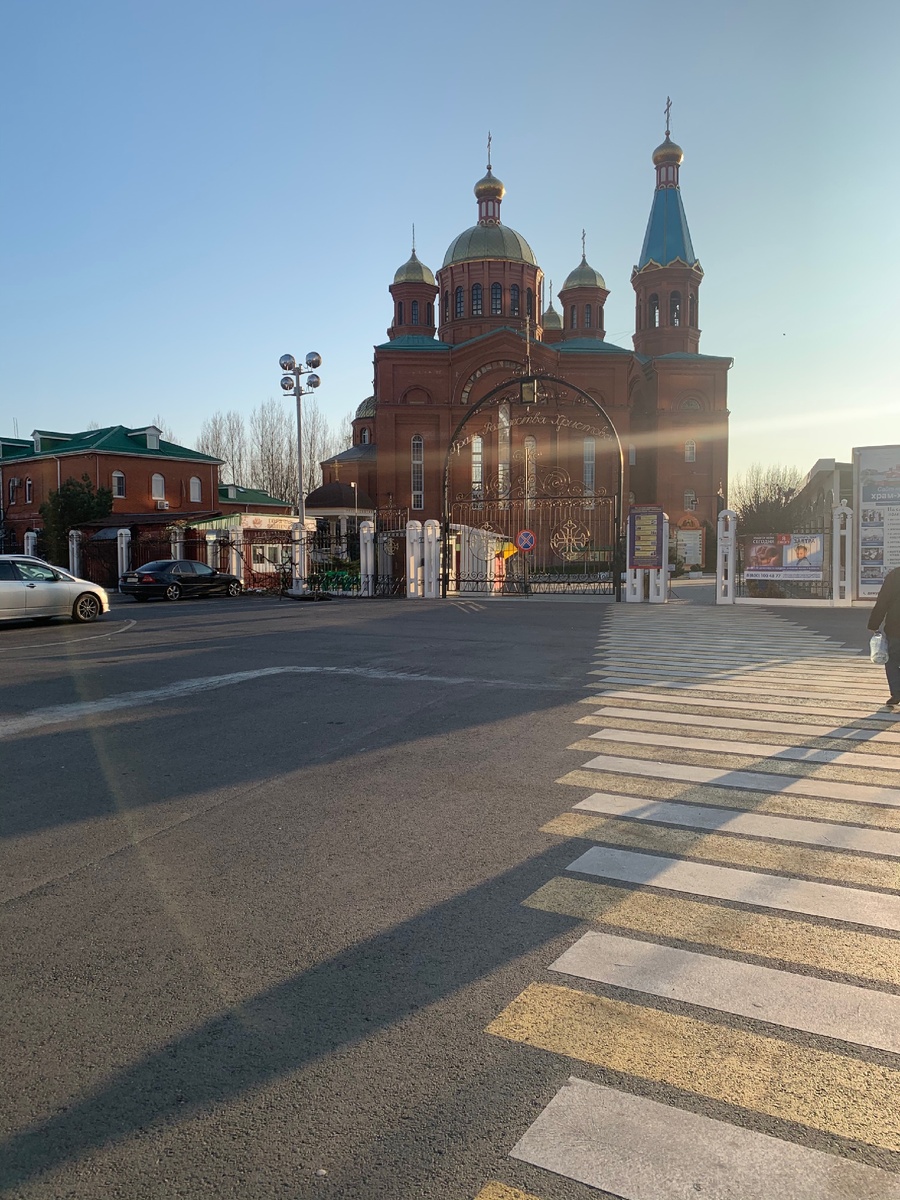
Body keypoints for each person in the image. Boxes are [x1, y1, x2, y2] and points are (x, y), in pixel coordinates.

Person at [867, 566, 900, 706]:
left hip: (895, 628)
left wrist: (873, 624)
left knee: (892, 660)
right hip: (895, 628)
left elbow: (883, 601)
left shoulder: (895, 575)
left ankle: (896, 693)